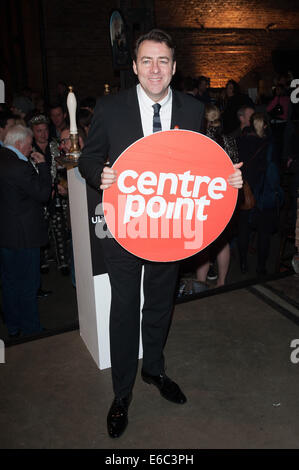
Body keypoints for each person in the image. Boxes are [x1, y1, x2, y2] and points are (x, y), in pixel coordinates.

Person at [79, 29, 243, 439]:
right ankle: (122, 393)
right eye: (147, 61)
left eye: (163, 61)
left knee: (159, 302)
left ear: (173, 67)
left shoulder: (192, 108)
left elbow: (198, 162)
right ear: (134, 67)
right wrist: (99, 173)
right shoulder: (110, 107)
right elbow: (88, 159)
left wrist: (226, 180)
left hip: (170, 226)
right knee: (124, 308)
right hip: (125, 226)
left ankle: (153, 368)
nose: (155, 69)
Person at [0, 125, 51, 337]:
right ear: (20, 144)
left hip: (5, 233)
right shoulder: (18, 167)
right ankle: (31, 328)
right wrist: (44, 167)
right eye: (29, 145)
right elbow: (43, 194)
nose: (31, 149)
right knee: (29, 284)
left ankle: (13, 326)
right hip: (24, 234)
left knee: (9, 283)